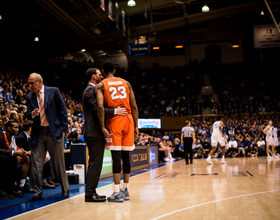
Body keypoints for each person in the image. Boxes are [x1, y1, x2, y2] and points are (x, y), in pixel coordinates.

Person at [95, 61, 139, 202]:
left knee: (116, 156)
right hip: (129, 120)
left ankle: (117, 191)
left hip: (115, 121)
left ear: (102, 71)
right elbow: (134, 105)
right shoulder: (126, 83)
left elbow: (100, 106)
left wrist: (102, 126)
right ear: (114, 70)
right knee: (126, 156)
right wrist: (136, 125)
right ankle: (126, 190)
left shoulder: (100, 85)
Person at [82, 68, 127, 203]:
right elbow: (97, 109)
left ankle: (91, 191)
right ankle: (90, 194)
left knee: (96, 163)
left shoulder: (94, 89)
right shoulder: (90, 91)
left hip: (94, 132)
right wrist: (115, 111)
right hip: (93, 131)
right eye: (99, 74)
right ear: (93, 76)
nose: (102, 76)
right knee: (95, 163)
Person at [26, 73, 69, 201]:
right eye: (29, 83)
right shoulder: (29, 96)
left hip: (53, 132)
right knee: (36, 164)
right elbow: (27, 114)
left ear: (39, 82)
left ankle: (65, 190)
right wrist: (32, 114)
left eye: (32, 83)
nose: (30, 86)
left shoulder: (53, 91)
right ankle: (37, 193)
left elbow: (62, 111)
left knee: (58, 164)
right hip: (38, 133)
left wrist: (63, 130)